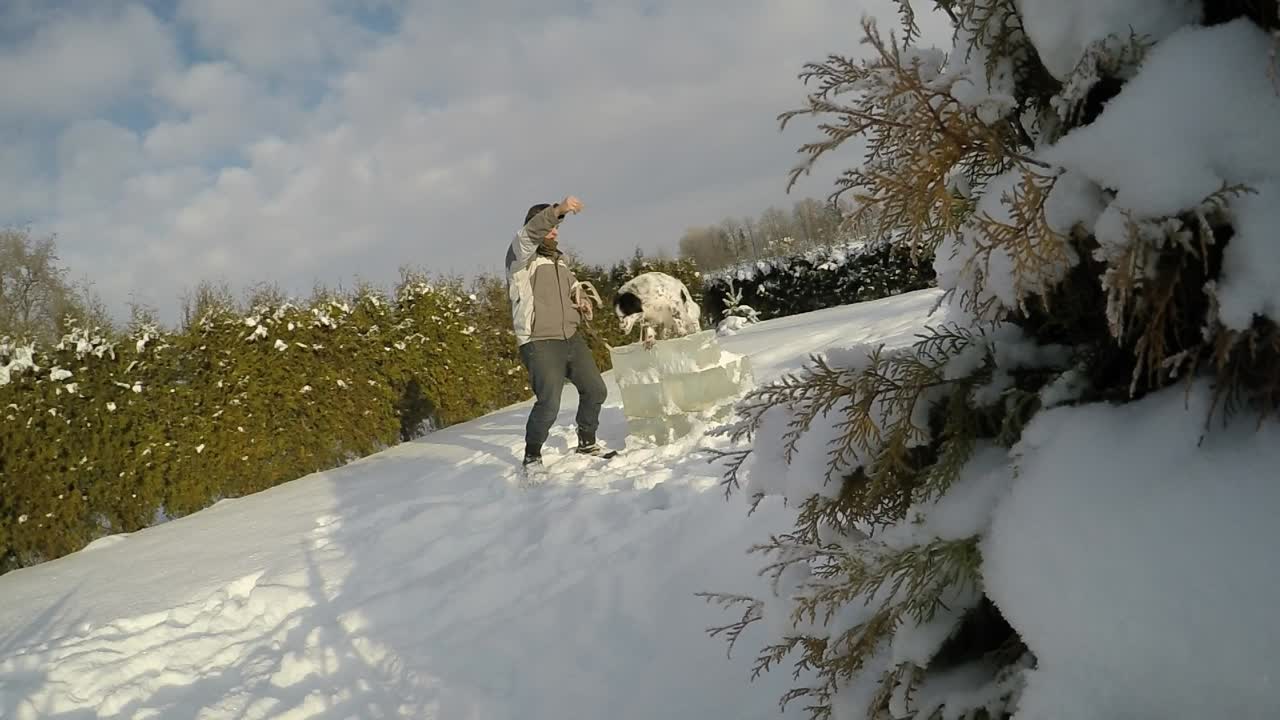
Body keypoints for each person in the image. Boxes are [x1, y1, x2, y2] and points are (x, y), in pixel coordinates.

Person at [505, 194, 610, 470]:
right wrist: (559, 210)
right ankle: (532, 456)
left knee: (596, 390)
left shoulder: (561, 264)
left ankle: (587, 442)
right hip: (539, 342)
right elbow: (530, 234)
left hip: (570, 338)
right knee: (549, 403)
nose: (554, 231)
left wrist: (583, 302)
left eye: (556, 228)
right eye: (550, 226)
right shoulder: (520, 260)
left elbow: (573, 290)